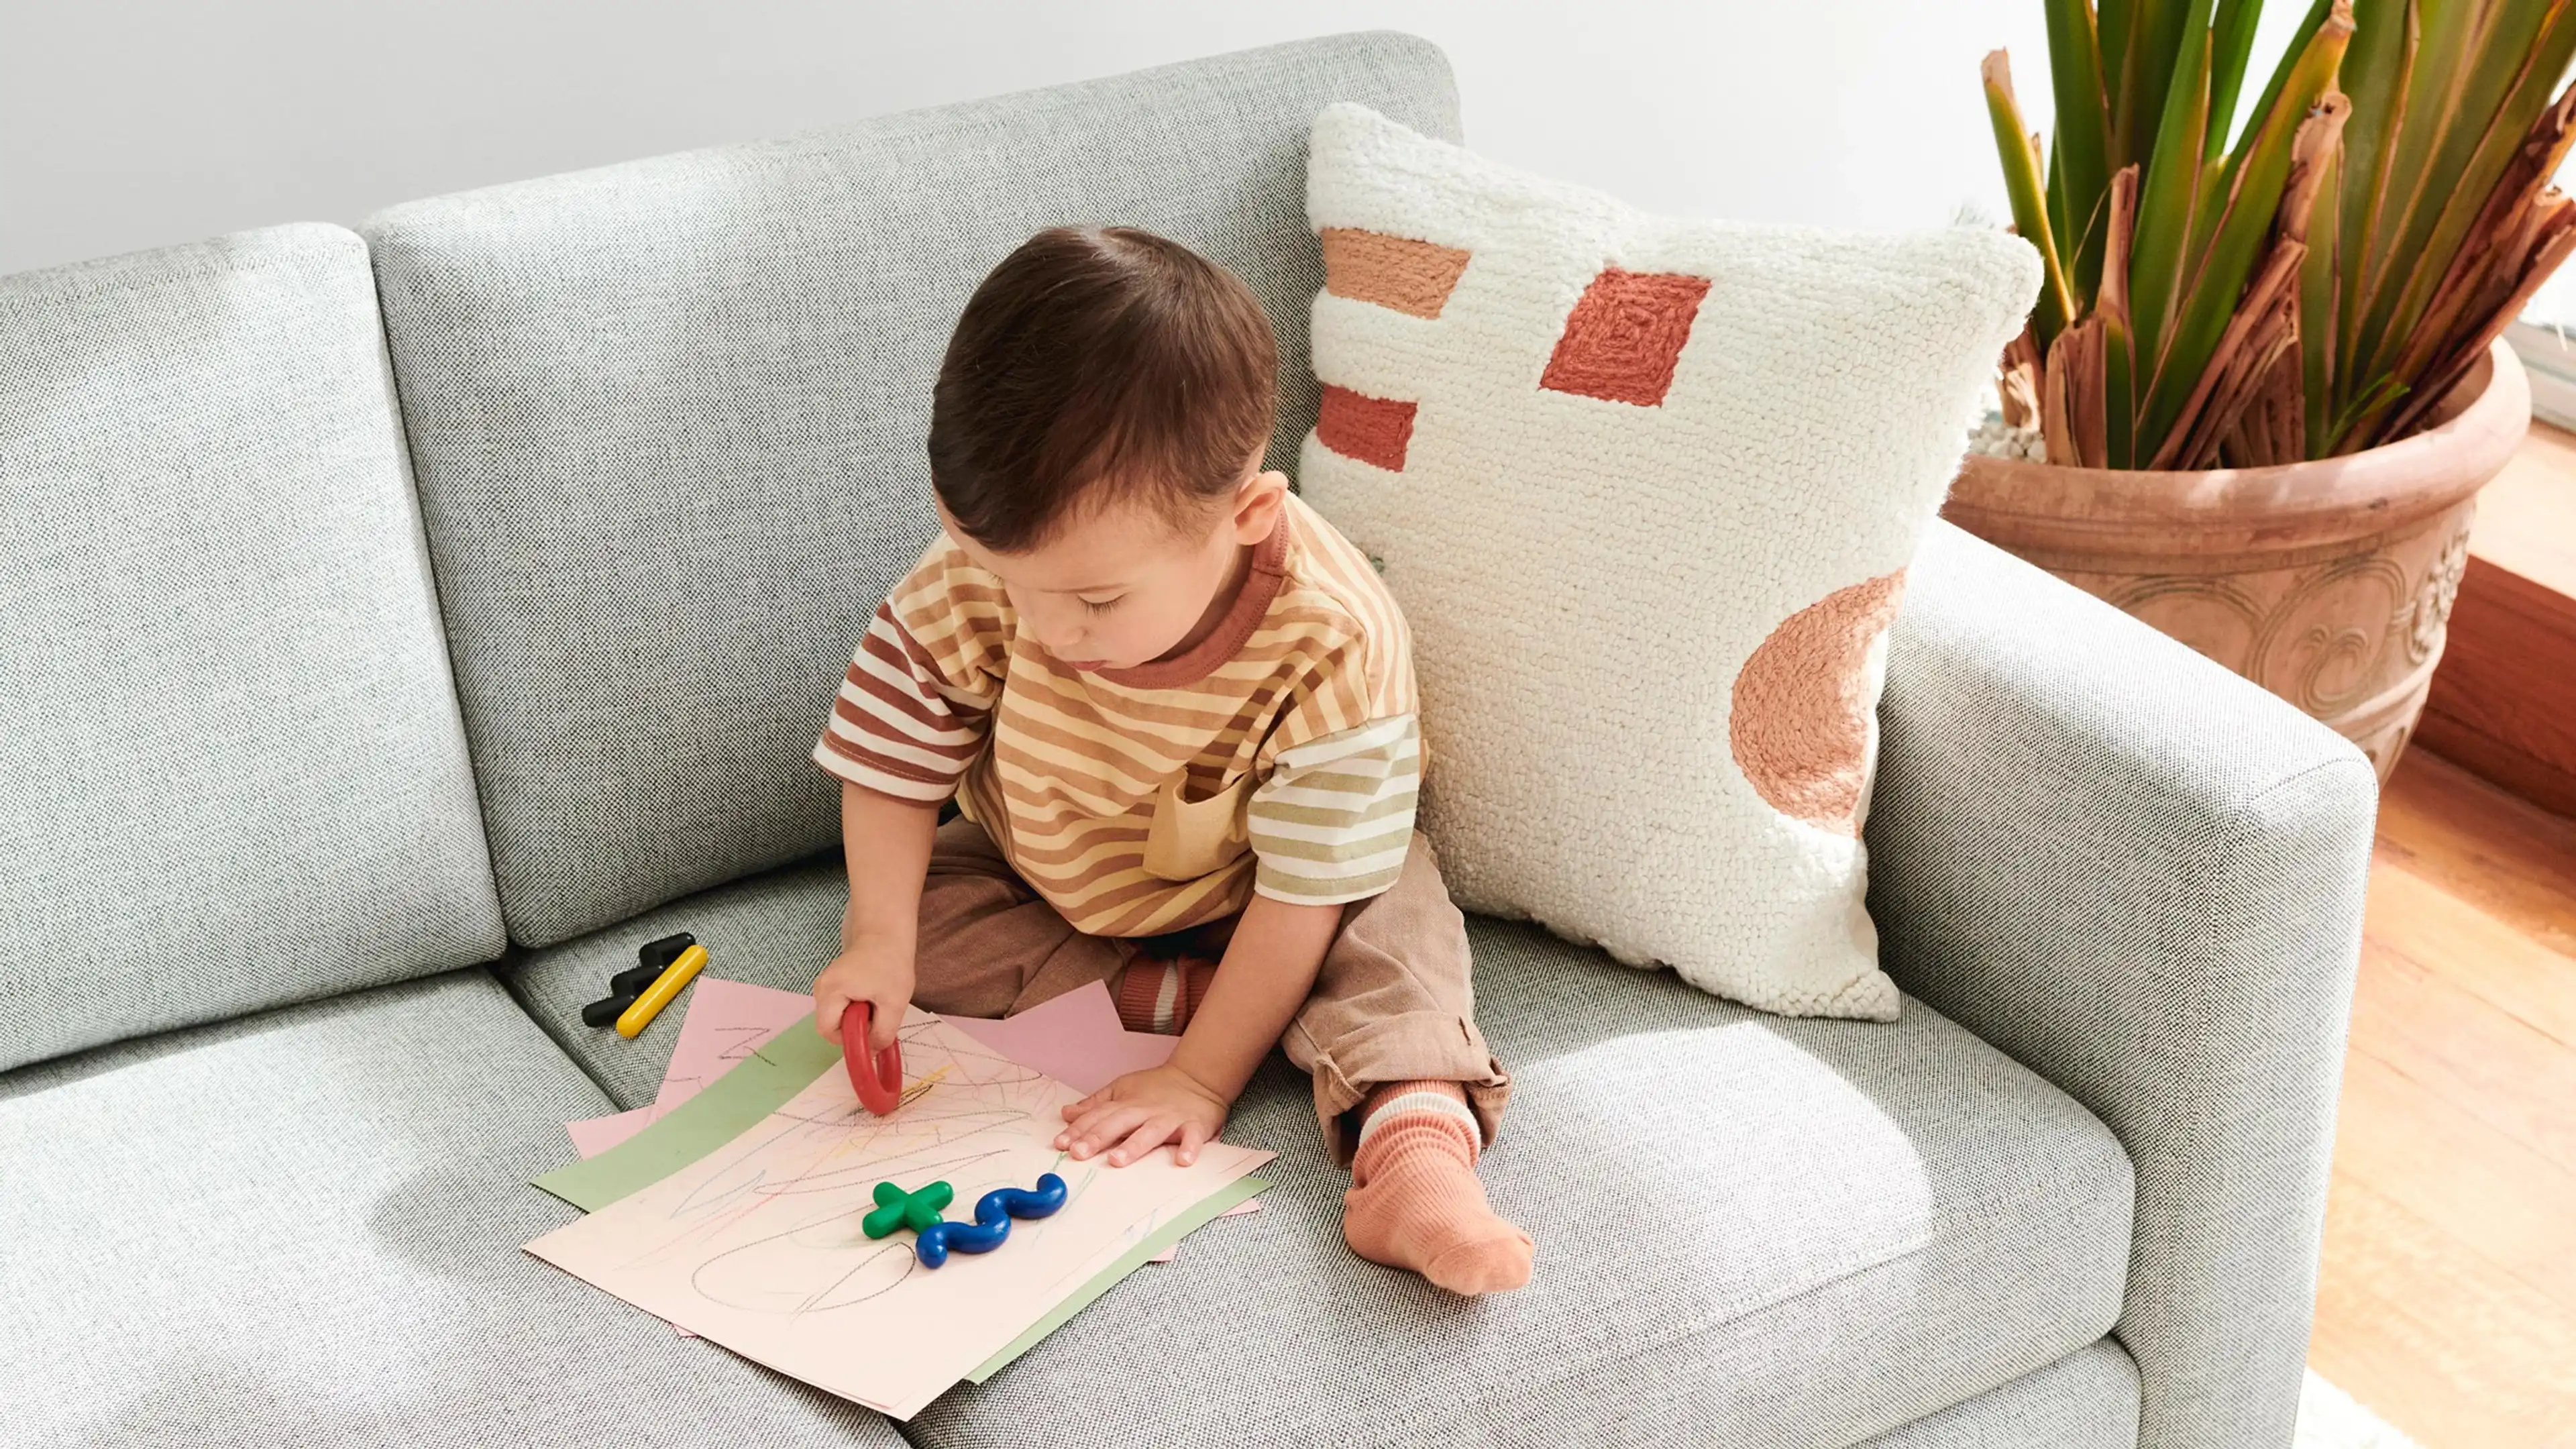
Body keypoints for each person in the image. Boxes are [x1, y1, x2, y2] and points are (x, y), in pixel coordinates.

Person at [808, 225, 1530, 1295]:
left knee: (1399, 927)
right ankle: (1197, 995)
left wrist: (1197, 1078)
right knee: (916, 922)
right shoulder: (1006, 574)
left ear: (1248, 517)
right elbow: (893, 756)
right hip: (1048, 879)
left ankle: (1413, 1151)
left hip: (1273, 897)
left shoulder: (1333, 640)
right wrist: (879, 943)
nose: (1045, 629)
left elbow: (1305, 892)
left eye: (1096, 602)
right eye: (1004, 580)